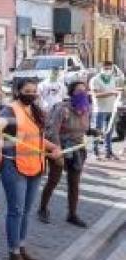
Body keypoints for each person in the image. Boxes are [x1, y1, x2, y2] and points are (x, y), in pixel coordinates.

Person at [0, 78, 62, 260]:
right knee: (16, 211)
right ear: (18, 91)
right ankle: (14, 255)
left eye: (34, 91)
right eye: (27, 90)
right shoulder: (10, 110)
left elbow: (37, 139)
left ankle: (21, 248)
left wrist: (53, 147)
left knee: (26, 211)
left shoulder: (34, 110)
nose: (32, 94)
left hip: (35, 166)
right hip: (14, 167)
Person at [39, 81, 95, 228]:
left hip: (77, 148)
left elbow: (85, 128)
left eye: (85, 90)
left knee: (74, 183)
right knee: (54, 179)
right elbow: (52, 131)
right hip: (59, 147)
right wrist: (57, 150)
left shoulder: (86, 109)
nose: (82, 94)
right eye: (78, 91)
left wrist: (92, 132)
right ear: (71, 93)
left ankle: (72, 214)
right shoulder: (62, 109)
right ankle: (43, 208)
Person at [90, 61, 120, 160]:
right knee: (98, 132)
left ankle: (109, 152)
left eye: (109, 68)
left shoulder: (112, 79)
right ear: (101, 68)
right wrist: (111, 92)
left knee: (109, 132)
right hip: (99, 109)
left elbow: (114, 90)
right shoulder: (95, 80)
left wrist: (116, 94)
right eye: (106, 68)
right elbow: (95, 95)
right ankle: (96, 152)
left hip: (111, 109)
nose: (108, 70)